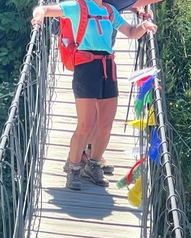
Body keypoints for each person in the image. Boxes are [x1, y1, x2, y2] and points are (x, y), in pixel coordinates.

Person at [32, 1, 157, 191]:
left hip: (108, 67)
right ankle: (73, 169)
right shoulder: (77, 6)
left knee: (105, 125)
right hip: (86, 67)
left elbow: (131, 32)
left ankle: (93, 164)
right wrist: (39, 15)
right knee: (85, 124)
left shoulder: (109, 10)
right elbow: (45, 9)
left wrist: (144, 26)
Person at [83, 0, 165, 175]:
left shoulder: (112, 7)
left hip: (100, 56)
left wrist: (136, 9)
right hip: (89, 56)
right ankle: (83, 157)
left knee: (98, 113)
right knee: (94, 113)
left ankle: (88, 155)